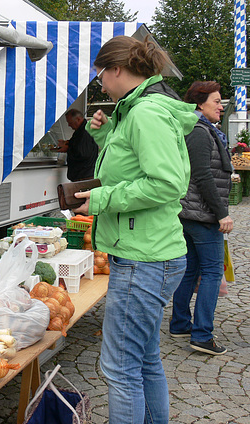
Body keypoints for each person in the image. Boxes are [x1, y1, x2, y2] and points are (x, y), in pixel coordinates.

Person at [73, 36, 198, 424]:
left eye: (99, 75)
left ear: (116, 70)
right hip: (150, 253)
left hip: (144, 257)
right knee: (144, 360)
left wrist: (100, 200)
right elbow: (131, 164)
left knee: (119, 368)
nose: (99, 83)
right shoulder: (137, 110)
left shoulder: (145, 112)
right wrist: (103, 135)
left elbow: (166, 183)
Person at [169, 81, 233, 355]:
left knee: (191, 268)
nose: (221, 106)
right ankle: (202, 334)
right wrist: (222, 213)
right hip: (202, 215)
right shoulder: (198, 131)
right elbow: (202, 176)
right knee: (211, 271)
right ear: (200, 103)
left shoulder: (201, 129)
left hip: (194, 213)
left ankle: (181, 322)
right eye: (217, 101)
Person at [55, 108, 98, 181]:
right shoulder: (80, 131)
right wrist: (67, 142)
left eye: (70, 122)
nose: (69, 125)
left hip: (84, 175)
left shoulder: (85, 132)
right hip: (83, 174)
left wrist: (67, 149)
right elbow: (78, 144)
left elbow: (83, 153)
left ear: (78, 119)